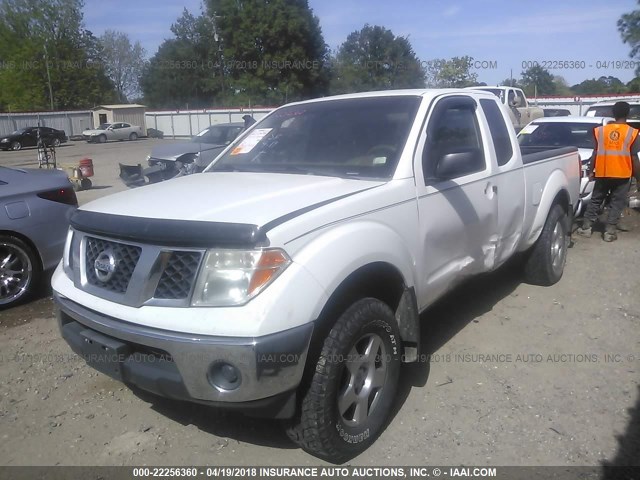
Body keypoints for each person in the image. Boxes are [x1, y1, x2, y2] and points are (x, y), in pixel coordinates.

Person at [576, 101, 640, 242]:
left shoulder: (601, 131)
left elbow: (595, 153)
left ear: (613, 113)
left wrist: (592, 170)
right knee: (617, 203)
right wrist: (638, 176)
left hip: (603, 172)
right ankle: (609, 232)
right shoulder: (633, 133)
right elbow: (634, 158)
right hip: (622, 174)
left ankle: (586, 228)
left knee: (596, 200)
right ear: (628, 113)